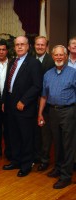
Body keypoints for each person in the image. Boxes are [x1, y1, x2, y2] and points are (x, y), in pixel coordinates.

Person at [2, 36, 42, 177]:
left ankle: (26, 165)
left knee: (26, 137)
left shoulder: (33, 63)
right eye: (17, 45)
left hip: (24, 106)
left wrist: (24, 101)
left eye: (22, 44)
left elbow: (37, 86)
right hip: (10, 104)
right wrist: (3, 102)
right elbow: (8, 84)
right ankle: (16, 161)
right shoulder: (13, 61)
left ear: (28, 46)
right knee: (13, 135)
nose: (19, 47)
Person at [38, 45, 76, 189]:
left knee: (68, 144)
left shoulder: (73, 73)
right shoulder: (48, 74)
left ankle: (66, 176)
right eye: (56, 55)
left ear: (66, 57)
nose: (59, 57)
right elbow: (43, 96)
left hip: (68, 112)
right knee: (57, 143)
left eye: (62, 55)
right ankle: (58, 168)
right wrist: (40, 113)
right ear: (52, 56)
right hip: (52, 112)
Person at [34, 36, 55, 170]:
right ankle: (35, 156)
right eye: (38, 45)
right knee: (34, 132)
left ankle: (44, 159)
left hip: (45, 102)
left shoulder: (52, 61)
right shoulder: (29, 59)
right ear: (34, 45)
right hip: (31, 102)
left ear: (46, 46)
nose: (40, 47)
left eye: (42, 45)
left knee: (45, 134)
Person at [67, 36, 76, 171]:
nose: (75, 45)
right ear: (68, 47)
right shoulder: (61, 60)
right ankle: (67, 161)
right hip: (67, 104)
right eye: (73, 44)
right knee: (67, 134)